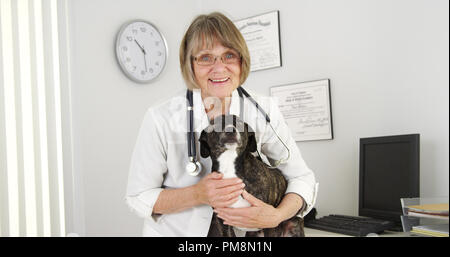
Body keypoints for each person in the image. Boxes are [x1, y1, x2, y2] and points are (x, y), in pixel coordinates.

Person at [125, 12, 318, 237]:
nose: (219, 68)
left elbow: (301, 178)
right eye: (206, 57)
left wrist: (276, 216)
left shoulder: (262, 110)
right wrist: (197, 194)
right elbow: (138, 197)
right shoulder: (161, 117)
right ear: (190, 65)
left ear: (241, 61)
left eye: (229, 55)